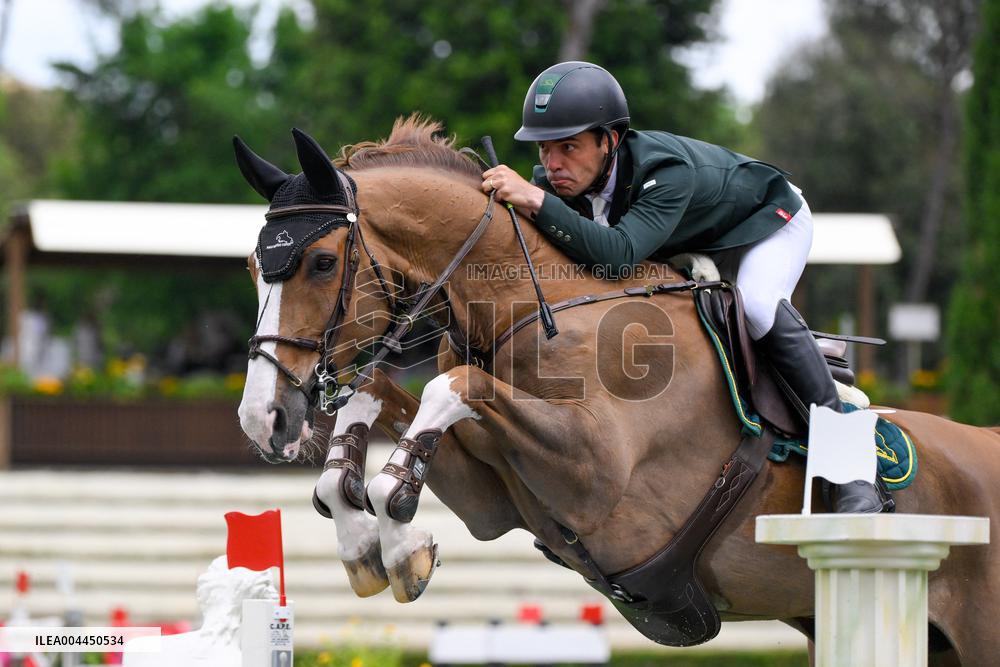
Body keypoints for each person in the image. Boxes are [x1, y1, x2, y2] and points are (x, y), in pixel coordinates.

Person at [482, 61, 889, 514]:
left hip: (768, 222)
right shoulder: (564, 183)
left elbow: (617, 258)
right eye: (544, 150)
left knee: (756, 306)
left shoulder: (665, 171)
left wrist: (537, 201)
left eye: (568, 147)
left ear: (609, 140)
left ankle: (854, 473)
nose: (552, 164)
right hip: (700, 241)